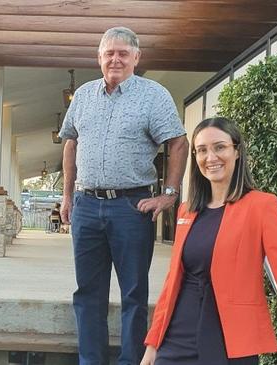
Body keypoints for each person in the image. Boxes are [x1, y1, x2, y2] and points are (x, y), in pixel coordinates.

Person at [140, 117, 277, 365]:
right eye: (202, 150)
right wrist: (153, 344)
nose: (210, 157)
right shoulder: (187, 210)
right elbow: (172, 282)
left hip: (230, 341)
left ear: (237, 151)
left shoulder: (262, 206)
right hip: (177, 336)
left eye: (219, 147)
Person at [59, 26, 189, 364]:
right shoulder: (85, 95)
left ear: (136, 58)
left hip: (131, 207)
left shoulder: (153, 95)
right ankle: (91, 360)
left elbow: (177, 142)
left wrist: (169, 194)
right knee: (88, 292)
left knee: (133, 293)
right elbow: (71, 141)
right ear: (99, 57)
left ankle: (131, 360)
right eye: (109, 53)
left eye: (123, 53)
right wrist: (68, 195)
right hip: (86, 205)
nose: (115, 59)